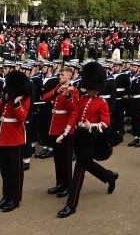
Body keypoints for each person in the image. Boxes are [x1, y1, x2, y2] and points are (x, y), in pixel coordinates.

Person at [56, 61, 118, 218]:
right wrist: (65, 133)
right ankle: (109, 176)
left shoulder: (102, 103)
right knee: (88, 165)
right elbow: (74, 116)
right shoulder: (83, 99)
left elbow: (106, 123)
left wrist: (93, 126)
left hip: (92, 139)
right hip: (80, 138)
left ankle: (71, 205)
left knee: (79, 170)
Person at [0, 70, 30, 212]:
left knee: (16, 171)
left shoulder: (24, 98)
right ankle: (6, 197)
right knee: (5, 170)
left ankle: (15, 199)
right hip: (3, 137)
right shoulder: (7, 97)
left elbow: (21, 118)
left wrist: (17, 103)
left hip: (15, 138)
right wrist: (4, 99)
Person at [43, 65, 79, 197]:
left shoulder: (74, 90)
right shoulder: (57, 88)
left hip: (64, 127)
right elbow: (45, 98)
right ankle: (60, 183)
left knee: (66, 159)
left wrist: (68, 94)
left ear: (69, 76)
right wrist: (57, 92)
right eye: (60, 75)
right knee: (57, 159)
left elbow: (72, 109)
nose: (60, 76)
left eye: (62, 75)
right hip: (55, 126)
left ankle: (68, 185)